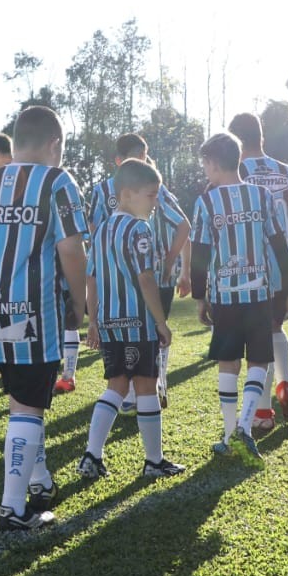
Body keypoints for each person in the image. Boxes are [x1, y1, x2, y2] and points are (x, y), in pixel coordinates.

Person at [0, 105, 88, 531]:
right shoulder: (58, 180)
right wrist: (83, 304)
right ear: (55, 145)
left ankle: (40, 482)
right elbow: (71, 249)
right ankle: (13, 510)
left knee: (23, 402)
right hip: (37, 312)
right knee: (28, 409)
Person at [190, 132, 288, 465]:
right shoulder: (262, 196)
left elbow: (200, 252)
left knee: (228, 362)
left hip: (224, 295)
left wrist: (200, 297)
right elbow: (280, 245)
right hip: (260, 293)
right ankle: (245, 430)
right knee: (259, 361)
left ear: (211, 162)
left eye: (204, 164)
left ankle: (228, 435)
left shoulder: (206, 202)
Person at [80, 158, 185, 480]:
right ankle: (154, 461)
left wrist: (94, 321)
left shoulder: (99, 232)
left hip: (110, 322)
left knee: (116, 386)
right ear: (127, 193)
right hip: (138, 322)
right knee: (145, 387)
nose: (155, 203)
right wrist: (161, 321)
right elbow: (145, 279)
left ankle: (91, 456)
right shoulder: (139, 229)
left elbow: (92, 280)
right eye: (151, 195)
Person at [229, 113, 288, 436]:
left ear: (234, 142)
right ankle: (283, 382)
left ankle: (264, 412)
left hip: (249, 263)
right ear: (261, 137)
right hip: (287, 261)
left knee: (257, 338)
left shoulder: (235, 171)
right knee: (274, 327)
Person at [85, 133, 191, 405]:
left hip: (120, 293)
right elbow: (94, 230)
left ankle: (153, 388)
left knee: (120, 379)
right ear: (119, 162)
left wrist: (173, 263)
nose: (154, 201)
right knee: (150, 345)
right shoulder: (109, 197)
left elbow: (182, 225)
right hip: (137, 287)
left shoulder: (154, 188)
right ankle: (146, 393)